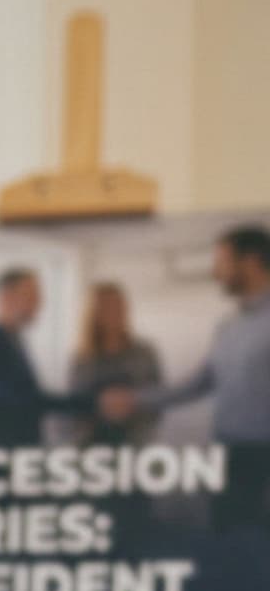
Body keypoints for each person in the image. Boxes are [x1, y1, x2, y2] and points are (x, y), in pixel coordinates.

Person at [108, 224, 270, 528]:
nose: (214, 272)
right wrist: (135, 399)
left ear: (249, 262)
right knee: (230, 541)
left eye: (221, 261)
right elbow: (199, 383)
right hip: (228, 454)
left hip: (264, 456)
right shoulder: (229, 326)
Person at [0, 267, 90, 449]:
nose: (39, 303)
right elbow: (24, 401)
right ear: (6, 297)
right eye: (30, 296)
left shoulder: (13, 342)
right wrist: (90, 404)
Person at [68, 281, 163, 446]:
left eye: (118, 306)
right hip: (91, 444)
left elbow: (159, 396)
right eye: (107, 308)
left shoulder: (144, 352)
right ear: (94, 314)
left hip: (136, 441)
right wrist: (102, 405)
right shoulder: (82, 358)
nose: (114, 313)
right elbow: (74, 404)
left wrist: (131, 402)